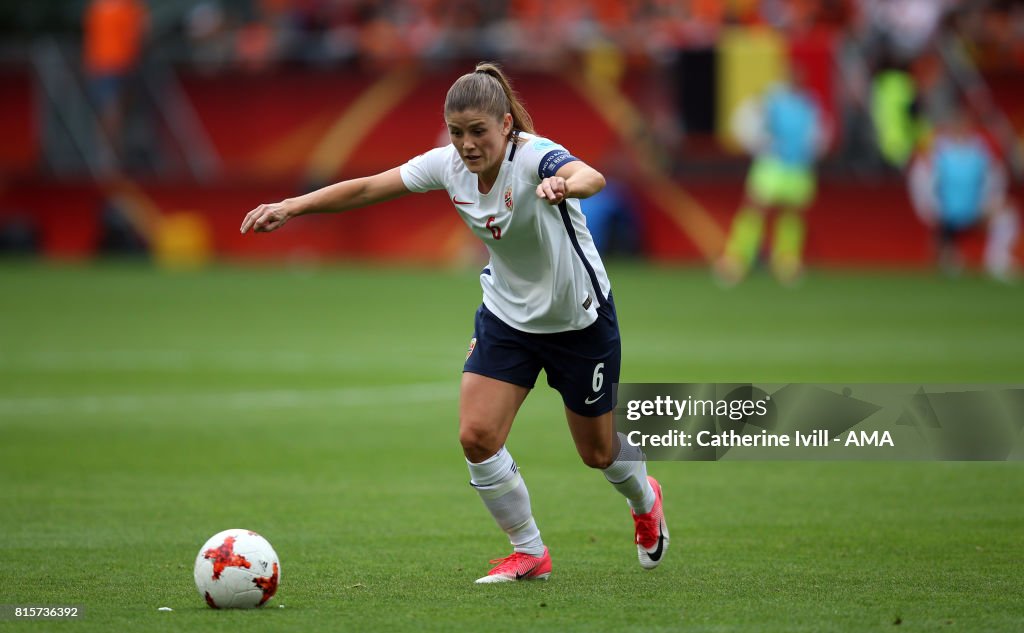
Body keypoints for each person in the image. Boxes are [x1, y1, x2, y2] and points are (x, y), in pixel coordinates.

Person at [240, 62, 668, 583]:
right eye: (458, 133)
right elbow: (368, 187)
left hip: (579, 320)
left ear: (506, 125)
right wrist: (292, 206)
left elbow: (590, 174)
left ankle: (645, 500)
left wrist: (564, 185)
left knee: (597, 452)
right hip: (507, 318)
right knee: (476, 436)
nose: (467, 145)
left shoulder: (534, 156)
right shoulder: (448, 165)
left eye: (478, 132)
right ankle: (529, 552)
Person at [716, 66, 827, 285]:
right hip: (772, 165)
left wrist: (812, 151)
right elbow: (746, 122)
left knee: (792, 214)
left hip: (798, 167)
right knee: (755, 209)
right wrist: (759, 145)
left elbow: (818, 134)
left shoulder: (809, 105)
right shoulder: (772, 100)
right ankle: (737, 259)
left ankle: (786, 261)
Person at [907, 110, 1019, 280]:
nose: (960, 129)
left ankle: (997, 261)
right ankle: (947, 252)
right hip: (944, 212)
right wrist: (933, 209)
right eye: (956, 125)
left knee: (1008, 213)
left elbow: (995, 178)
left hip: (976, 208)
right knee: (947, 268)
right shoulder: (935, 150)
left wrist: (987, 202)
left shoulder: (982, 149)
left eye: (964, 125)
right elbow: (921, 182)